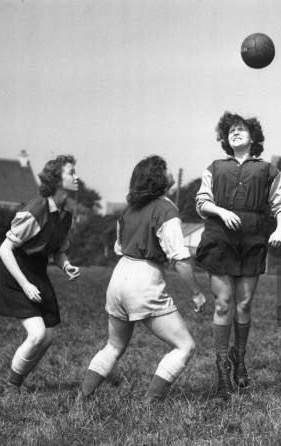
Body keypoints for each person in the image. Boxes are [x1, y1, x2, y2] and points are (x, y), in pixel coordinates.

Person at [78, 155, 206, 403]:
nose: (169, 171)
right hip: (143, 280)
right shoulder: (166, 209)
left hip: (119, 276)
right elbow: (179, 259)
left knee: (113, 346)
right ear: (157, 178)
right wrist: (196, 293)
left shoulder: (127, 210)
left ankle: (81, 399)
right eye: (165, 168)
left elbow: (119, 247)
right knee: (185, 346)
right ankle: (151, 403)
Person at [195, 111, 281, 399]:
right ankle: (222, 369)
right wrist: (221, 211)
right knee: (223, 304)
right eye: (231, 130)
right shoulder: (215, 167)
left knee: (245, 303)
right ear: (225, 138)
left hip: (252, 238)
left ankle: (240, 359)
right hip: (220, 238)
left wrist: (280, 229)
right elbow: (201, 202)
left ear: (253, 137)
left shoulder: (268, 170)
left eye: (241, 129)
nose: (235, 133)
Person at [0, 155, 81, 393]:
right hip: (15, 274)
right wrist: (25, 284)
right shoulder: (35, 209)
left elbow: (58, 252)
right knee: (37, 334)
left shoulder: (66, 213)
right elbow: (4, 249)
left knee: (48, 337)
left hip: (38, 273)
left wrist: (66, 265)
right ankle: (10, 388)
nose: (76, 176)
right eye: (71, 172)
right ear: (56, 179)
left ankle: (16, 383)